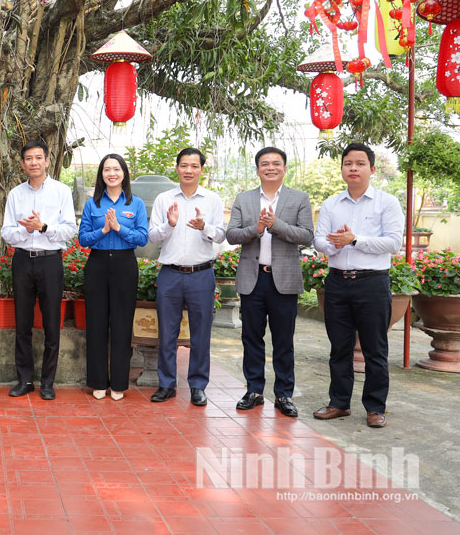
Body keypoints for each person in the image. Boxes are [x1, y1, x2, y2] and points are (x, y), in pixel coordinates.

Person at [313, 143, 403, 428]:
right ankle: (339, 403)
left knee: (375, 348)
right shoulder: (331, 204)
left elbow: (393, 243)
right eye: (348, 163)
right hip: (337, 283)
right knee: (339, 347)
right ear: (342, 169)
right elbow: (318, 241)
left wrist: (354, 240)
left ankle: (375, 408)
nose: (353, 168)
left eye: (360, 163)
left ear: (372, 169)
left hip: (372, 283)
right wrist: (335, 245)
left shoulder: (386, 202)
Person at [225, 147, 313, 417]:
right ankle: (254, 390)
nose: (271, 167)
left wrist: (275, 225)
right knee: (251, 338)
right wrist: (257, 229)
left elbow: (307, 236)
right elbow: (231, 235)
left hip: (284, 280)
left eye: (276, 163)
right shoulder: (245, 198)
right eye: (265, 163)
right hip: (253, 279)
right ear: (258, 169)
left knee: (283, 340)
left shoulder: (299, 198)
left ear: (285, 169)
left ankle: (284, 395)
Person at [0, 139, 78, 400]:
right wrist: (26, 229)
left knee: (51, 324)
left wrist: (43, 227)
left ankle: (47, 382)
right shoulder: (15, 194)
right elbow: (6, 232)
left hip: (50, 261)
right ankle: (24, 381)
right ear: (23, 164)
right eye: (28, 159)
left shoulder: (61, 191)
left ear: (47, 160)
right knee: (22, 323)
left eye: (38, 158)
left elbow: (69, 229)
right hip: (23, 261)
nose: (33, 162)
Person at [147, 147, 225, 406]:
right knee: (166, 332)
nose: (189, 170)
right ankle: (167, 384)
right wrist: (169, 224)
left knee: (200, 333)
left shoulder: (212, 200)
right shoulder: (164, 198)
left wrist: (205, 228)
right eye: (184, 165)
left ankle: (198, 385)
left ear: (202, 169)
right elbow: (152, 236)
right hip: (170, 274)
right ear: (177, 168)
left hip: (201, 274)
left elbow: (221, 236)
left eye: (194, 166)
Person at [77, 154, 148, 401]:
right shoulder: (92, 204)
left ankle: (119, 383)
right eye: (107, 169)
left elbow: (142, 238)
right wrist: (104, 229)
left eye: (116, 169)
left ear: (124, 173)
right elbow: (83, 239)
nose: (112, 173)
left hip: (124, 263)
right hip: (97, 264)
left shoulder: (135, 204)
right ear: (102, 175)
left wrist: (119, 228)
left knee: (121, 323)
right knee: (96, 323)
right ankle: (97, 381)